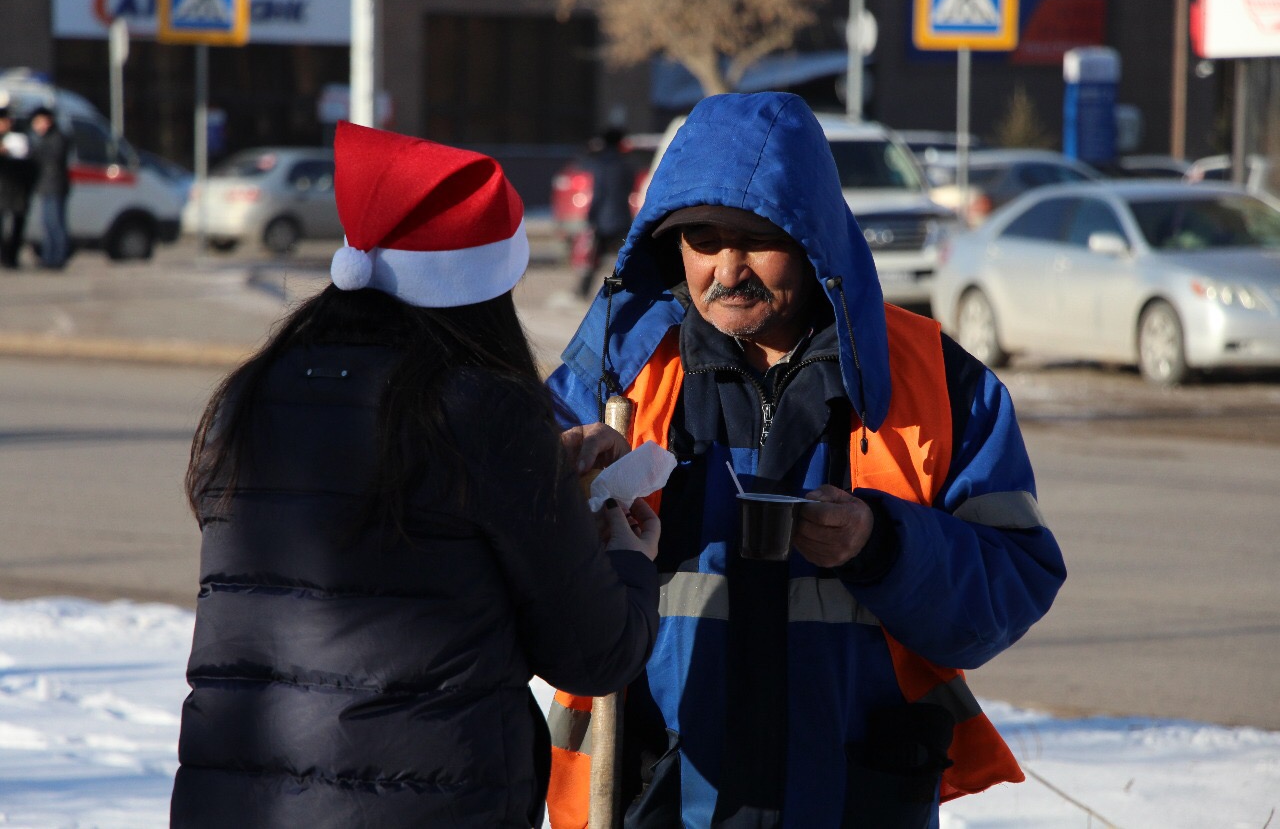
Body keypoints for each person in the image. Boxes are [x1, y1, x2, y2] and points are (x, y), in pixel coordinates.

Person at [545, 92, 1067, 827]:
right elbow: (498, 564)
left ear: (813, 234)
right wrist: (558, 491)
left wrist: (882, 543)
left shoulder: (935, 381)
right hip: (655, 799)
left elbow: (1010, 586)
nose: (727, 270)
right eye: (701, 238)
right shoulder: (615, 374)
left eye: (757, 239)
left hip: (856, 798)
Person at [171, 121, 661, 828]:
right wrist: (628, 560)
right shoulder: (485, 412)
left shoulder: (253, 395)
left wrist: (540, 474)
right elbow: (594, 653)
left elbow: (387, 517)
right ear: (482, 290)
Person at [577, 126, 636, 300]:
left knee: (595, 259)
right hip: (622, 217)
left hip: (603, 219)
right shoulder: (625, 163)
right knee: (623, 259)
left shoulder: (601, 163)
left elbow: (598, 193)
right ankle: (620, 290)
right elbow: (629, 188)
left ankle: (583, 291)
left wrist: (591, 216)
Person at [28, 106, 70, 270]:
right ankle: (49, 257)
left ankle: (57, 258)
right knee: (47, 224)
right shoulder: (46, 138)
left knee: (55, 224)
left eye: (40, 122)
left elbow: (52, 158)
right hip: (46, 186)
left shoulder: (57, 137)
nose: (37, 125)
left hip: (55, 186)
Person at [0, 106, 34, 269]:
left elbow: (25, 158)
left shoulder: (18, 139)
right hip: (3, 188)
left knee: (16, 224)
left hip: (16, 189)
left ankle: (11, 257)